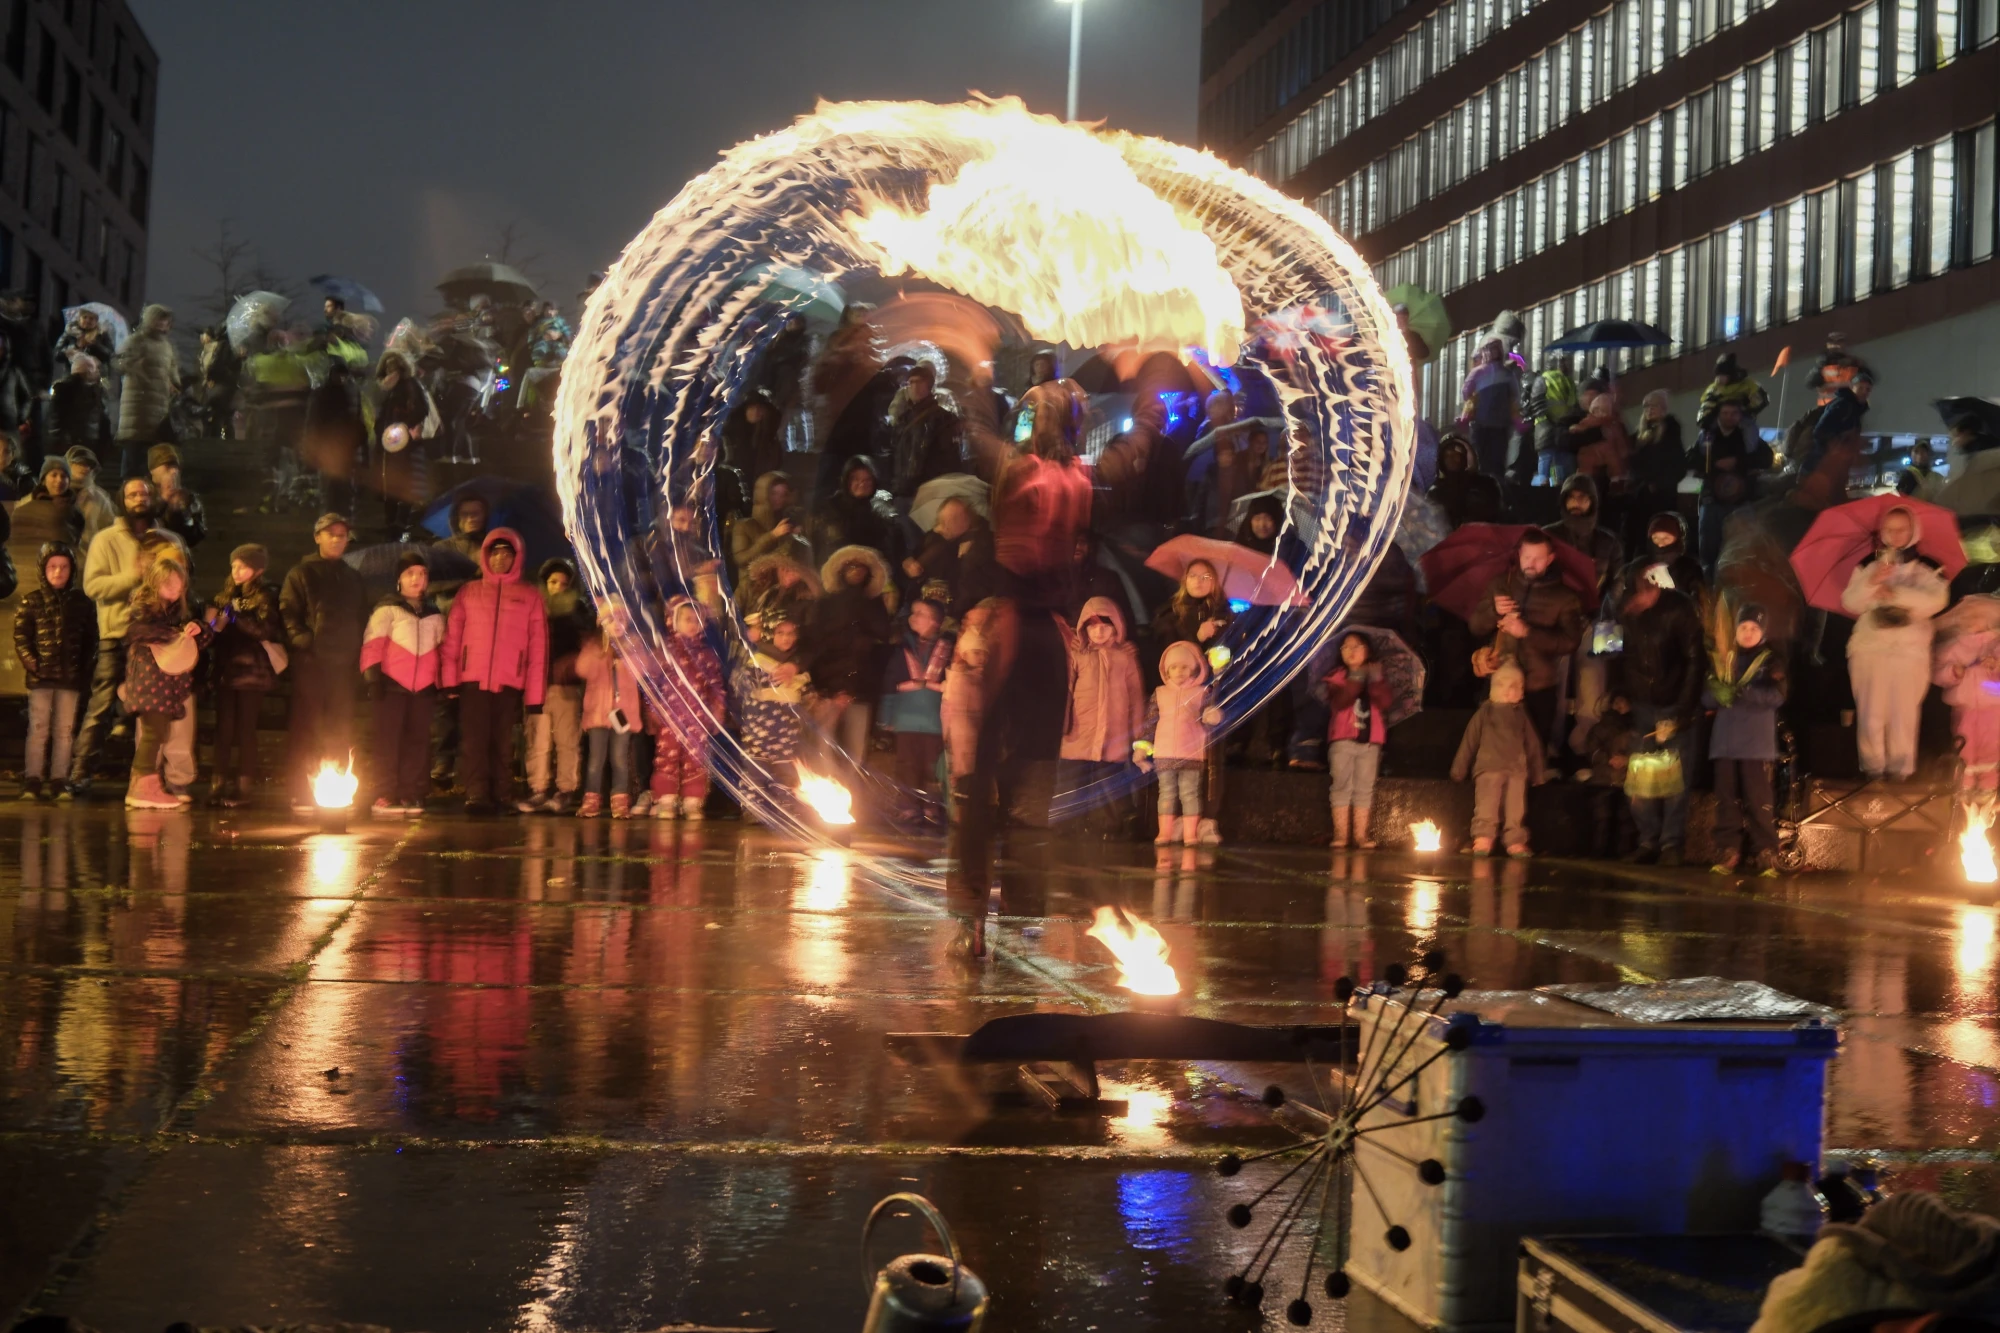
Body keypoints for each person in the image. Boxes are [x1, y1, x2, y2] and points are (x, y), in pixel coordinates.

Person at [70, 478, 185, 794]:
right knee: (102, 703)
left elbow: (181, 581)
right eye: (132, 493)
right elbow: (93, 586)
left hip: (155, 639)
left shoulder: (167, 540)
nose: (139, 498)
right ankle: (80, 774)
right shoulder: (106, 540)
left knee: (156, 714)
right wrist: (135, 576)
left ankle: (153, 781)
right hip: (117, 635)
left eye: (145, 493)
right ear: (122, 499)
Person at [442, 528, 548, 815]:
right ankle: (477, 794)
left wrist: (534, 695)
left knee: (503, 742)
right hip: (472, 679)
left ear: (517, 557)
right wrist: (450, 680)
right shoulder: (469, 592)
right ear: (486, 556)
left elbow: (538, 648)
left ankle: (502, 794)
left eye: (507, 553)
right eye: (495, 552)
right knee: (474, 739)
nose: (501, 558)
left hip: (509, 681)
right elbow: (453, 637)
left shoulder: (529, 596)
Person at [1843, 506, 1949, 780]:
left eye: (1902, 528)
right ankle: (1873, 773)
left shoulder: (1928, 566)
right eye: (1889, 528)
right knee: (1870, 715)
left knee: (1904, 715)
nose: (1896, 534)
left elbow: (1936, 601)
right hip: (1870, 650)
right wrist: (1870, 584)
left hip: (1908, 653)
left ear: (1913, 530)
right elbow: (1850, 602)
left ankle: (1900, 776)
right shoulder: (1869, 564)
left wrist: (1896, 593)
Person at [1616, 562, 1705, 864]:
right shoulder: (1626, 613)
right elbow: (1615, 654)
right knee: (1641, 779)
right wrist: (1620, 694)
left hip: (1674, 702)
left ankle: (1671, 844)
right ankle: (1648, 839)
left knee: (1674, 778)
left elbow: (1695, 660)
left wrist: (1682, 710)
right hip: (1641, 706)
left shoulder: (1679, 608)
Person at [279, 513, 368, 813]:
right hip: (312, 663)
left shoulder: (352, 576)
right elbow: (288, 613)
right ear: (317, 536)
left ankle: (337, 787)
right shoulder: (301, 574)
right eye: (330, 534)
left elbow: (361, 616)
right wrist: (305, 641)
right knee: (307, 724)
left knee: (340, 726)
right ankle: (302, 789)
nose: (336, 539)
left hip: (343, 665)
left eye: (342, 535)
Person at [1469, 529, 1585, 755]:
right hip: (1500, 679)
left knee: (1532, 751)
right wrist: (1493, 611)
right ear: (1518, 555)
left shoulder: (1565, 597)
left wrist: (1527, 632)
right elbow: (1475, 627)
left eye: (1538, 558)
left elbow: (1570, 642)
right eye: (1526, 557)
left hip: (1539, 685)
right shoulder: (1501, 585)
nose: (1531, 564)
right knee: (1494, 747)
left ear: (1550, 559)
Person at [1152, 558, 1236, 846]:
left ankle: (1207, 820)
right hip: (1178, 702)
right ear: (1183, 581)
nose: (1199, 581)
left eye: (1206, 576)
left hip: (1210, 698)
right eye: (1193, 576)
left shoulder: (1226, 614)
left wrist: (1220, 649)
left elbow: (1232, 654)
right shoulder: (1171, 615)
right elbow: (1168, 652)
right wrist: (1195, 636)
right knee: (1172, 767)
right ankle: (1174, 821)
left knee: (1212, 759)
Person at [119, 557, 209, 810]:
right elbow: (135, 630)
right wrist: (174, 633)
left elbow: (200, 640)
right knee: (152, 734)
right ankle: (143, 789)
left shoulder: (180, 611)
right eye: (170, 583)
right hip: (149, 682)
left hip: (167, 685)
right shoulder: (143, 607)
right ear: (156, 582)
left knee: (157, 733)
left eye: (180, 584)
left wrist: (197, 629)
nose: (176, 589)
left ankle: (144, 787)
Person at [360, 553, 445, 818]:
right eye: (410, 573)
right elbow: (373, 645)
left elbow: (443, 649)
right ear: (399, 579)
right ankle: (386, 792)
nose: (416, 579)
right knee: (388, 741)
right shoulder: (387, 610)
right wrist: (373, 679)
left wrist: (442, 681)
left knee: (418, 741)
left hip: (424, 688)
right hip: (392, 686)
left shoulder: (435, 614)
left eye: (422, 573)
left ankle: (412, 792)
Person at [1705, 604, 1786, 875]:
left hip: (1756, 745)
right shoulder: (1723, 659)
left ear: (1763, 633)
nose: (1748, 633)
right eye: (1743, 627)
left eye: (1754, 628)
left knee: (1757, 798)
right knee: (1726, 799)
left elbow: (1777, 697)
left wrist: (1745, 692)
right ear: (1735, 631)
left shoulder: (1770, 661)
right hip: (1725, 743)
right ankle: (1729, 850)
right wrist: (1718, 692)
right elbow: (1705, 698)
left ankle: (1765, 850)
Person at [13, 541, 95, 800]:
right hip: (40, 678)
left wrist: (81, 668)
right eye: (52, 567)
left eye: (63, 567)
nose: (58, 572)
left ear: (72, 569)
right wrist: (33, 662)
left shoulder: (81, 603)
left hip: (70, 678)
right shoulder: (32, 601)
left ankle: (60, 778)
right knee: (38, 728)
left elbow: (90, 639)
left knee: (64, 730)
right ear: (43, 570)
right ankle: (33, 778)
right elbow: (21, 636)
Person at [1057, 596, 1144, 829]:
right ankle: (1066, 824)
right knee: (1073, 779)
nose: (1099, 632)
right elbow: (1066, 688)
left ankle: (1116, 824)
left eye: (1105, 626)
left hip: (1114, 734)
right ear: (1084, 627)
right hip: (1079, 732)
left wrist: (1138, 734)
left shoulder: (1124, 656)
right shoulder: (1078, 654)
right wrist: (1062, 724)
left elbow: (1135, 696)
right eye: (1093, 626)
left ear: (1116, 626)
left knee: (1111, 781)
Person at [206, 544, 282, 808]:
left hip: (252, 671)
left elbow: (265, 629)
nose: (236, 571)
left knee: (246, 729)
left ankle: (244, 786)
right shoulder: (225, 595)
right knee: (224, 729)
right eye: (234, 565)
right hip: (226, 671)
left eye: (243, 566)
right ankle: (218, 784)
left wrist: (235, 617)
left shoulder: (266, 595)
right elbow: (213, 633)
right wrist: (213, 625)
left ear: (258, 570)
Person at [810, 546, 895, 782]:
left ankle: (848, 794)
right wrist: (832, 687)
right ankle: (827, 794)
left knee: (856, 748)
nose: (856, 571)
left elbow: (882, 640)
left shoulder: (875, 605)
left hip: (863, 686)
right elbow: (819, 645)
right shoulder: (827, 604)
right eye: (851, 566)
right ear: (841, 570)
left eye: (861, 567)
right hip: (830, 686)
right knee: (823, 743)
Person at [1450, 661, 1544, 856]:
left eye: (1516, 687)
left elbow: (1533, 745)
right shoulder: (1486, 712)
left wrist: (1538, 773)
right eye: (1505, 685)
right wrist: (1459, 768)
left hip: (1516, 770)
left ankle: (1515, 840)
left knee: (1516, 809)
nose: (1511, 691)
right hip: (1489, 767)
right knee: (1487, 805)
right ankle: (1483, 837)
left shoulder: (1521, 714)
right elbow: (1470, 739)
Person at [1136, 640, 1222, 847]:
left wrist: (1212, 716)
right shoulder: (1160, 693)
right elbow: (1150, 723)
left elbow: (1208, 719)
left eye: (1184, 667)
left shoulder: (1202, 693)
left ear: (1194, 667)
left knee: (1189, 793)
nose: (1179, 672)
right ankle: (1165, 832)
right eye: (1174, 667)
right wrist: (1142, 747)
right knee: (1166, 792)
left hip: (1192, 753)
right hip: (1164, 753)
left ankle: (1190, 833)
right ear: (1166, 669)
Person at [523, 558, 591, 814]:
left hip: (566, 685)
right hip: (537, 684)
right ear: (544, 583)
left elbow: (586, 644)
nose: (558, 587)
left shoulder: (577, 611)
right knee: (537, 740)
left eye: (564, 583)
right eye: (553, 582)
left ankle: (566, 789)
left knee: (567, 739)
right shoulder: (533, 610)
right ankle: (538, 789)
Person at [648, 596, 725, 821]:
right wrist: (653, 709)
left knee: (696, 758)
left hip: (697, 720)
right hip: (669, 717)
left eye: (696, 620)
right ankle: (666, 799)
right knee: (666, 757)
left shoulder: (707, 655)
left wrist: (717, 712)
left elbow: (716, 686)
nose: (692, 624)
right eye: (687, 619)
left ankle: (692, 801)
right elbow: (653, 683)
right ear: (673, 621)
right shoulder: (666, 651)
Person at [882, 597, 954, 828]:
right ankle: (908, 808)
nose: (914, 617)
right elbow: (890, 682)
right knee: (906, 766)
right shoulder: (903, 648)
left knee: (932, 766)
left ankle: (932, 807)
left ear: (935, 621)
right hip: (906, 720)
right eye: (913, 612)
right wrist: (886, 717)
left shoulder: (950, 649)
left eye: (920, 613)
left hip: (935, 720)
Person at [1324, 631, 1393, 850]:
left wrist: (1375, 680)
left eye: (1357, 646)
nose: (1351, 651)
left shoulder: (1376, 676)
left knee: (1365, 787)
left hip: (1371, 742)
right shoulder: (1336, 676)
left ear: (1368, 650)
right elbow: (1340, 702)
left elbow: (1384, 702)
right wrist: (1355, 677)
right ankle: (1341, 835)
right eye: (1346, 647)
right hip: (1342, 740)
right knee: (1341, 785)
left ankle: (1361, 835)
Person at [574, 605, 644, 819]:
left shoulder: (633, 647)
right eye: (611, 620)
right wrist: (600, 655)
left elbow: (643, 671)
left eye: (621, 620)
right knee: (596, 759)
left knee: (619, 758)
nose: (616, 625)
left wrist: (624, 660)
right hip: (598, 714)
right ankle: (591, 799)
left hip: (623, 714)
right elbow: (582, 669)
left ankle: (620, 799)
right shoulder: (594, 647)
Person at [1694, 401, 1772, 574]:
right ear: (1718, 415)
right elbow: (1691, 459)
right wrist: (1715, 464)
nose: (1729, 417)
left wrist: (1738, 461)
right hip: (1712, 501)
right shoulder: (1707, 437)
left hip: (1741, 504)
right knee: (1709, 552)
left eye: (1733, 413)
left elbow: (1767, 459)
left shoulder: (1749, 438)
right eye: (1725, 413)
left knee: (1744, 551)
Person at [1935, 611, 2000, 794]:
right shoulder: (1953, 647)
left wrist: (1997, 665)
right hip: (1965, 705)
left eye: (1976, 615)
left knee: (1991, 743)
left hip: (1994, 705)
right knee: (1964, 742)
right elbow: (1937, 672)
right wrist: (1952, 672)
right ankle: (1964, 783)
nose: (1971, 620)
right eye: (1967, 617)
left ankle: (1988, 785)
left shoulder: (1996, 644)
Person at [114, 305, 178, 483]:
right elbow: (117, 362)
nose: (162, 323)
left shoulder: (166, 346)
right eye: (159, 319)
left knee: (151, 455)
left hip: (159, 406)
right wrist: (134, 366)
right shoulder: (136, 340)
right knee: (134, 449)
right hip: (137, 403)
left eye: (165, 320)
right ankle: (127, 491)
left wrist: (175, 384)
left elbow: (172, 370)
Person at [372, 351, 432, 537]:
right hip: (386, 442)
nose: (391, 369)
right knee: (388, 481)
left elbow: (422, 409)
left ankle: (401, 522)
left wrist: (404, 426)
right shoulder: (385, 388)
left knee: (404, 481)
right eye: (388, 365)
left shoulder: (409, 385)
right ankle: (390, 521)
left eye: (395, 365)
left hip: (403, 442)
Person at [889, 362, 962, 498]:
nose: (915, 387)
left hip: (928, 492)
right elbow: (896, 454)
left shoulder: (944, 419)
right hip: (902, 492)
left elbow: (950, 461)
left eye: (920, 382)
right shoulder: (904, 419)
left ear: (929, 386)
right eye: (911, 382)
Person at [1582, 692, 1636, 858]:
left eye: (1624, 702)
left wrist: (1628, 760)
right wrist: (1608, 759)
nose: (1620, 706)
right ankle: (1598, 853)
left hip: (1627, 781)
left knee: (1626, 820)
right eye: (1617, 702)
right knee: (1602, 818)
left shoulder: (1636, 728)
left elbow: (1643, 751)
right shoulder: (1600, 728)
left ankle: (1623, 853)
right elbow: (1592, 750)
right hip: (1603, 780)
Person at [812, 455, 897, 558]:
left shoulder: (881, 510)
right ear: (846, 481)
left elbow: (891, 547)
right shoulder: (829, 510)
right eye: (856, 479)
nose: (862, 484)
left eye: (867, 480)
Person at [1459, 338, 1520, 480]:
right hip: (1496, 426)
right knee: (1494, 464)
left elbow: (1465, 392)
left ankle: (1487, 491)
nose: (1494, 352)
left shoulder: (1479, 372)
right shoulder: (1506, 373)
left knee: (1483, 462)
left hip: (1485, 425)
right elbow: (1515, 396)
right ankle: (1493, 491)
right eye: (1492, 348)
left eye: (1495, 348)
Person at [731, 471, 811, 577]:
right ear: (763, 494)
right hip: (752, 587)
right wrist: (773, 535)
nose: (779, 498)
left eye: (784, 494)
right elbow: (741, 559)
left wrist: (798, 537)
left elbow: (801, 558)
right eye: (774, 493)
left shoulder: (789, 520)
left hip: (784, 584)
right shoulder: (744, 526)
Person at [1523, 356, 1580, 485]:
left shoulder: (1541, 380)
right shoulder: (1568, 381)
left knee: (1545, 462)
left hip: (1545, 428)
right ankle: (1556, 486)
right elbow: (1573, 405)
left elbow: (1536, 404)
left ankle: (1540, 490)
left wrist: (1546, 420)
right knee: (1559, 464)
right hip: (1563, 428)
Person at [1427, 434, 1504, 529]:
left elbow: (1496, 517)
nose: (1451, 459)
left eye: (1456, 455)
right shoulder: (1436, 492)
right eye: (1447, 456)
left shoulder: (1486, 485)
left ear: (1465, 457)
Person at [12, 458, 82, 553]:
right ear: (44, 480)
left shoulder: (75, 510)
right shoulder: (26, 506)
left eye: (64, 476)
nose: (59, 480)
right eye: (54, 475)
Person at [48, 354, 111, 454]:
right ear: (88, 370)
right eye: (95, 369)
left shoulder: (62, 388)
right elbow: (103, 418)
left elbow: (55, 420)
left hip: (70, 443)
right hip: (87, 442)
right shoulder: (94, 390)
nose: (97, 372)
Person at [147, 446, 206, 550]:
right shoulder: (142, 493)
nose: (173, 471)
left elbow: (196, 535)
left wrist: (182, 512)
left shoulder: (188, 498)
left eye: (175, 466)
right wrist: (164, 500)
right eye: (167, 465)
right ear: (153, 470)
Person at [1696, 352, 1771, 429]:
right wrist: (1703, 418)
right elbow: (1706, 404)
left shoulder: (1747, 384)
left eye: (1722, 375)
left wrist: (1747, 408)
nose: (1719, 379)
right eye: (1717, 375)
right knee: (1704, 434)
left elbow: (1761, 398)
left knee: (1750, 431)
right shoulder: (1714, 388)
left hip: (1741, 418)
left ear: (1730, 375)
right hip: (1720, 420)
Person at [66, 446, 116, 550]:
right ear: (68, 463)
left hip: (88, 556)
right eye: (80, 463)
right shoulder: (55, 491)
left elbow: (109, 527)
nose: (85, 468)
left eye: (89, 465)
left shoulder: (100, 497)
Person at [1808, 332, 1873, 407]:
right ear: (1828, 345)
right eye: (1832, 342)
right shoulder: (1823, 364)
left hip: (1851, 408)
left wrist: (1858, 363)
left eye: (1839, 342)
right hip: (1828, 408)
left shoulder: (1854, 363)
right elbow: (1814, 383)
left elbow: (1869, 378)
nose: (1836, 345)